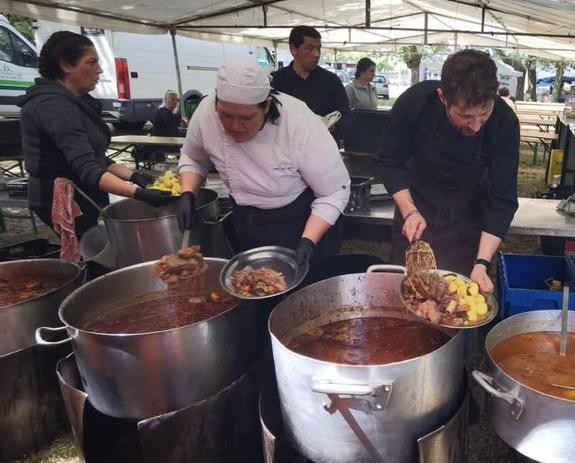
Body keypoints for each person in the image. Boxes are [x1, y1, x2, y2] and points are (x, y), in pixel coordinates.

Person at [175, 60, 350, 281]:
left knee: (305, 293)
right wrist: (188, 193)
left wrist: (308, 240)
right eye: (226, 116)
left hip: (299, 219)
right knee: (251, 286)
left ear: (267, 105)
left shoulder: (299, 124)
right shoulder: (205, 113)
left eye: (246, 118)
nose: (235, 127)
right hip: (246, 220)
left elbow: (334, 192)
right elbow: (193, 156)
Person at [375, 49, 519, 293]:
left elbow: (502, 199)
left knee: (456, 296)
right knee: (407, 293)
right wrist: (409, 211)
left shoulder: (504, 123)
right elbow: (390, 161)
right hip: (416, 206)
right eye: (465, 116)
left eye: (484, 113)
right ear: (443, 98)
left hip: (468, 214)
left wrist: (482, 262)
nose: (475, 126)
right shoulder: (415, 104)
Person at [18, 31, 169, 237]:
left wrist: (135, 176)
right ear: (66, 65)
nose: (99, 70)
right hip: (65, 199)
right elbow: (86, 168)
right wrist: (139, 193)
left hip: (85, 193)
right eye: (91, 62)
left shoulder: (76, 101)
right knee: (91, 252)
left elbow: (94, 156)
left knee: (98, 248)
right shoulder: (53, 106)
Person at [270, 26, 349, 124]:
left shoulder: (331, 81)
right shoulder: (276, 81)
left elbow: (346, 116)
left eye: (318, 48)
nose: (316, 54)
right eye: (310, 48)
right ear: (293, 49)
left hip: (324, 137)